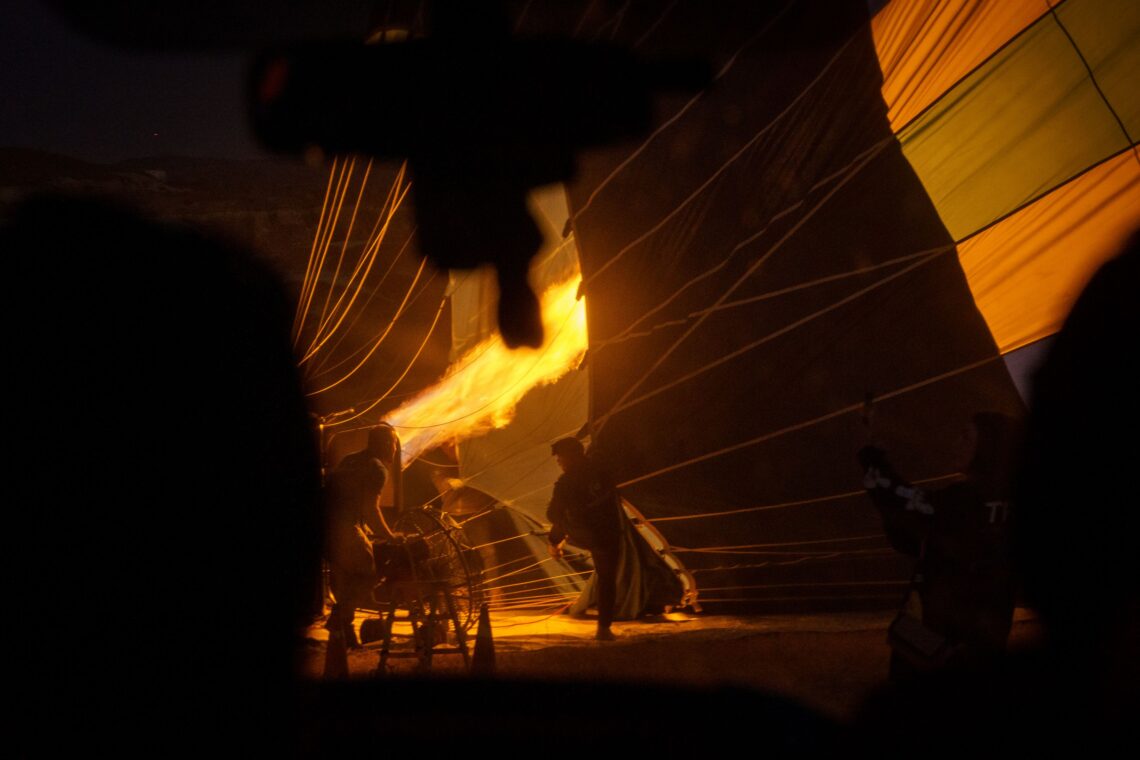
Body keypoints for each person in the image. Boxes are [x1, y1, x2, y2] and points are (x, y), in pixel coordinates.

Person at [858, 411, 1021, 678]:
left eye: (966, 437)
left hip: (938, 646)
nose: (957, 444)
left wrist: (871, 456)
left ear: (987, 447)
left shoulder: (965, 501)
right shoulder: (1009, 506)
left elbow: (901, 499)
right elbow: (930, 543)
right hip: (980, 645)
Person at [325, 424, 398, 647]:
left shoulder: (350, 459)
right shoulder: (377, 468)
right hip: (346, 528)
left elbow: (344, 498)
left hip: (326, 529)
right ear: (386, 444)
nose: (395, 449)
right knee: (367, 573)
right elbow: (370, 509)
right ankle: (338, 619)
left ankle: (346, 639)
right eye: (394, 443)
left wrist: (367, 531)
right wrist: (390, 536)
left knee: (345, 581)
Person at [547, 437, 623, 641]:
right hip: (609, 533)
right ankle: (603, 629)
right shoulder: (602, 470)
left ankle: (554, 544)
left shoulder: (566, 482)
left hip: (586, 533)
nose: (558, 461)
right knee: (607, 580)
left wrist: (557, 535)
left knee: (562, 520)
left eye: (560, 457)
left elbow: (552, 515)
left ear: (571, 456)